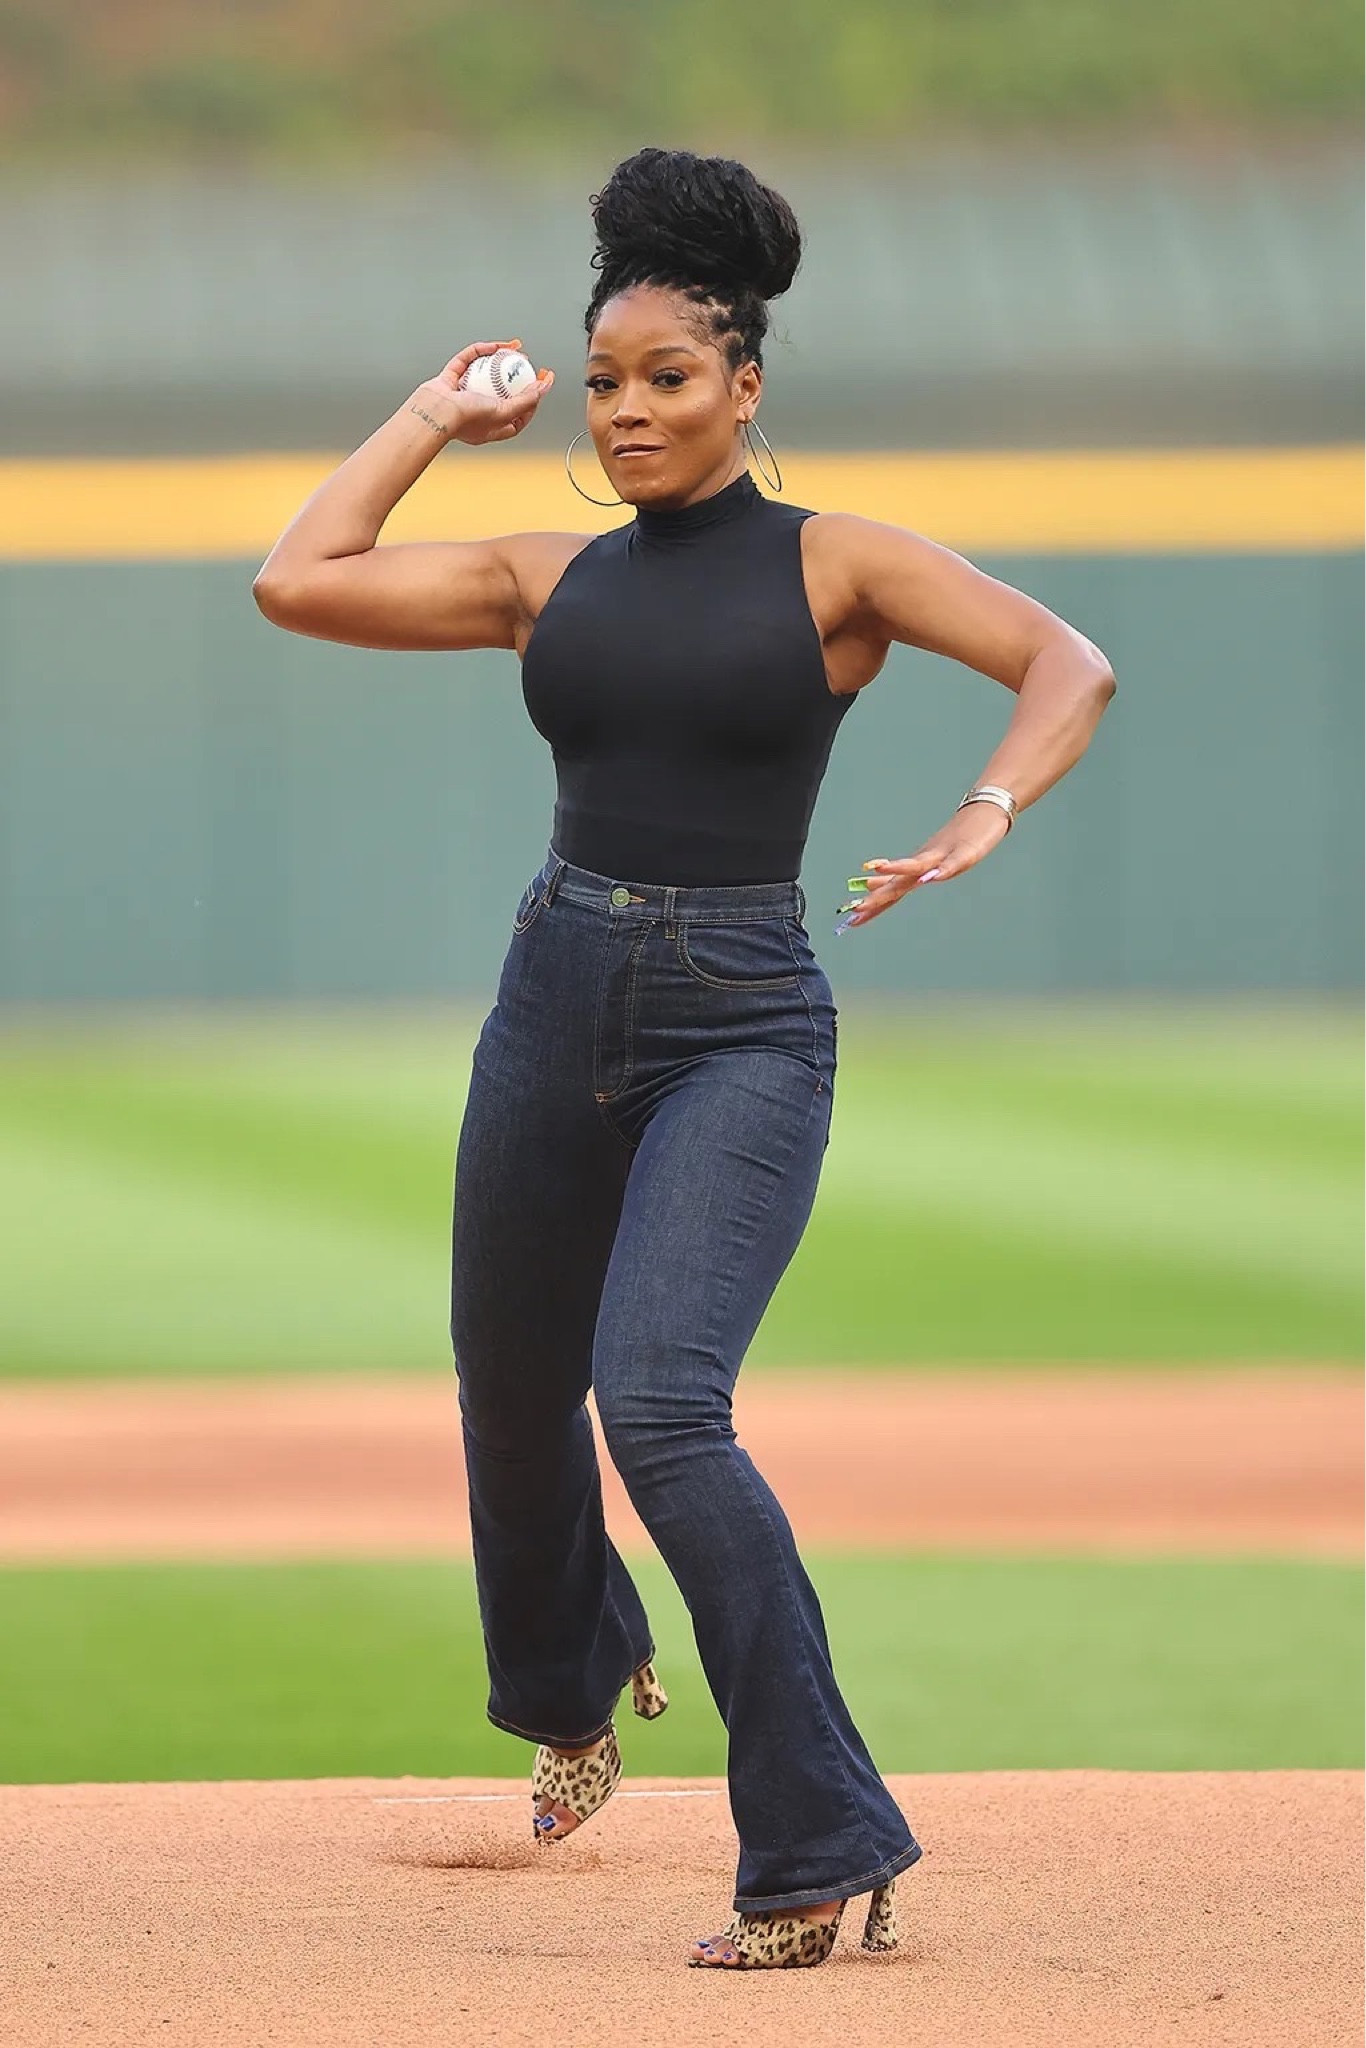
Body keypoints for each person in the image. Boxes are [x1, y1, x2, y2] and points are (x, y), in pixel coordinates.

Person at [253, 145, 1116, 1972]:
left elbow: (1064, 663)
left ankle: (817, 1847)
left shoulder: (841, 566)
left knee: (657, 1404)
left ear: (743, 385)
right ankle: (578, 1688)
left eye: (666, 377)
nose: (628, 409)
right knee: (507, 1386)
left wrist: (984, 805)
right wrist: (429, 409)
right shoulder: (541, 573)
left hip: (739, 1013)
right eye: (602, 381)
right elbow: (297, 577)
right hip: (552, 987)